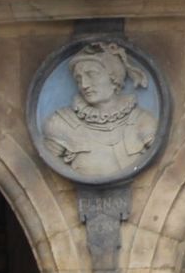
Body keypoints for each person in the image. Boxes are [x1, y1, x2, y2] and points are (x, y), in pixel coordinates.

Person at [41, 42, 161, 181]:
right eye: (78, 79)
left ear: (114, 78)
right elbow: (48, 176)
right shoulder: (61, 123)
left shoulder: (143, 121)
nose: (84, 85)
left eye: (91, 75)